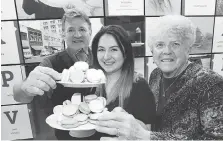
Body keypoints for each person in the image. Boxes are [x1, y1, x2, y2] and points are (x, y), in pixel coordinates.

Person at [94, 15, 223, 140]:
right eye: (160, 45)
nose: (166, 51)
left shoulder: (210, 83)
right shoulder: (156, 75)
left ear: (188, 48)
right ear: (152, 50)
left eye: (175, 44)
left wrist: (147, 137)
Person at [13, 8, 94, 140]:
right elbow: (19, 96)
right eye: (71, 30)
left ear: (90, 32)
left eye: (82, 29)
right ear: (63, 34)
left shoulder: (101, 58)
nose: (77, 35)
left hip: (102, 132)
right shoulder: (50, 62)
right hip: (66, 135)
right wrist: (25, 88)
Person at [90, 25, 156, 139]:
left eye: (114, 49)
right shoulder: (90, 84)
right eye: (101, 49)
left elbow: (147, 131)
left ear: (125, 53)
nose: (106, 56)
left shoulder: (139, 86)